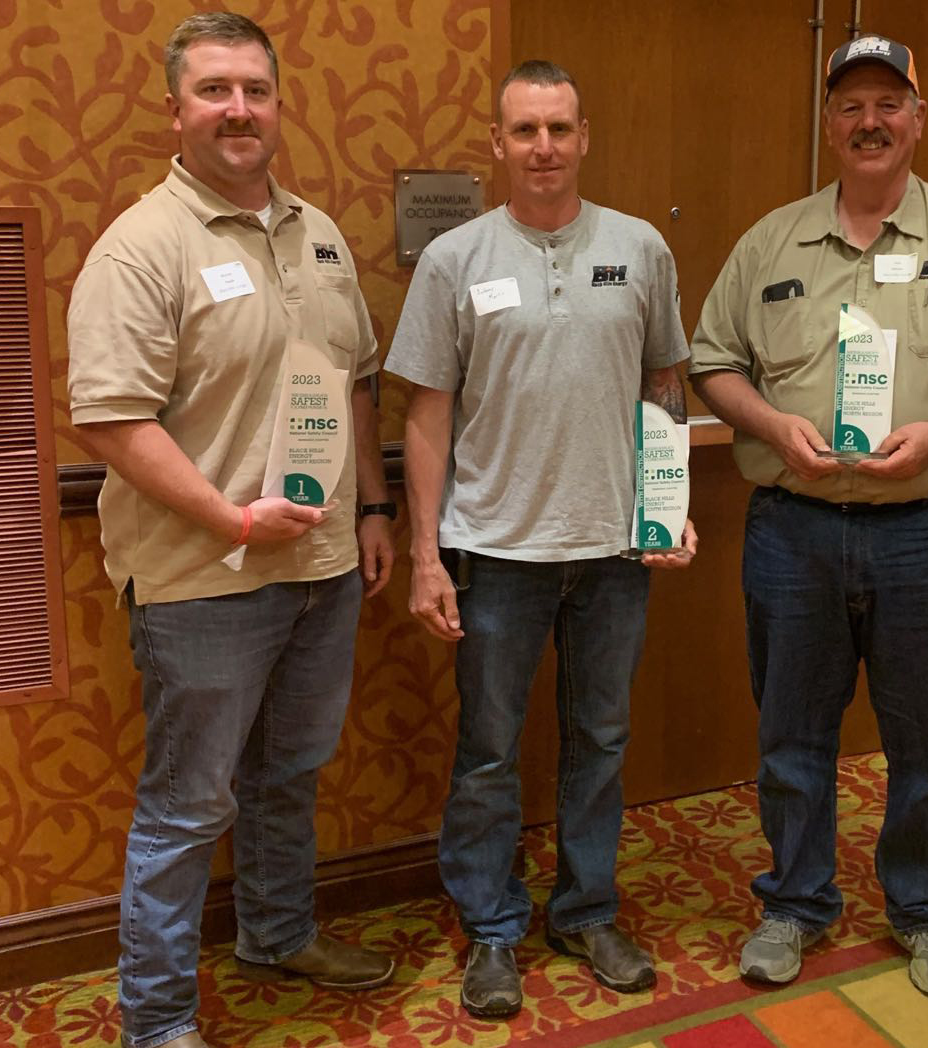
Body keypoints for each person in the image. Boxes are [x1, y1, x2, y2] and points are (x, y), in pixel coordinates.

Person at [689, 34, 928, 998]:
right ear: (828, 125)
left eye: (888, 104)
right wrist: (771, 420)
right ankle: (794, 902)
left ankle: (925, 911)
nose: (869, 121)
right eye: (850, 105)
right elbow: (713, 360)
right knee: (792, 730)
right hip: (794, 528)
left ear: (917, 119)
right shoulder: (771, 241)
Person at [66, 13, 396, 1048]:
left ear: (279, 103)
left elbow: (359, 381)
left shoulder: (322, 232)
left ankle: (276, 931)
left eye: (255, 88)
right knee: (185, 807)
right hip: (205, 577)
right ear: (175, 109)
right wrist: (233, 518)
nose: (238, 108)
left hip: (326, 568)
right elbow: (111, 419)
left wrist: (375, 509)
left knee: (289, 774)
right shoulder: (141, 247)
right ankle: (158, 1023)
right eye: (214, 90)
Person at [385, 60, 696, 1020]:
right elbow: (426, 419)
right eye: (525, 131)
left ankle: (586, 910)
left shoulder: (641, 249)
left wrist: (668, 497)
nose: (544, 148)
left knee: (600, 740)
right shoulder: (455, 262)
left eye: (559, 128)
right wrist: (428, 553)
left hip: (613, 551)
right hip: (495, 554)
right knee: (487, 749)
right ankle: (490, 930)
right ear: (498, 144)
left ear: (585, 135)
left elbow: (664, 387)